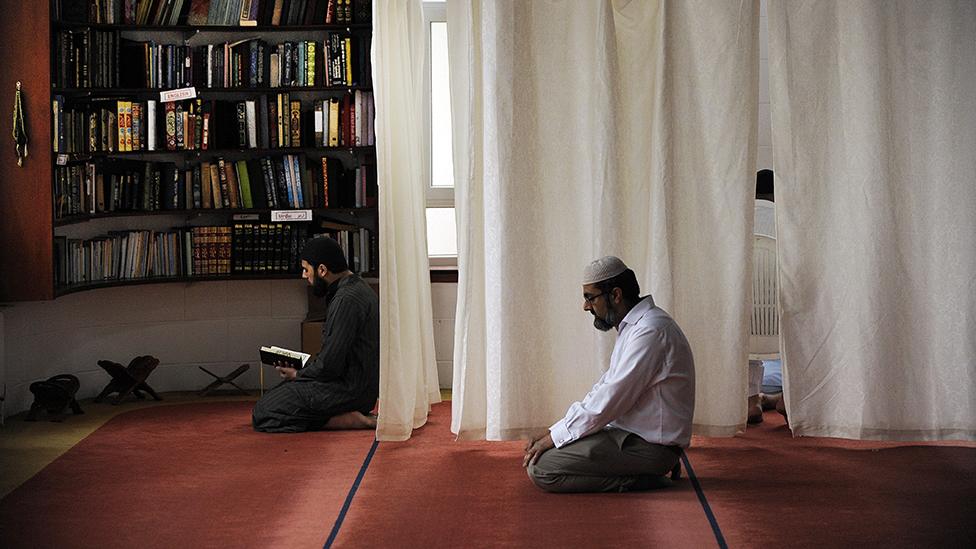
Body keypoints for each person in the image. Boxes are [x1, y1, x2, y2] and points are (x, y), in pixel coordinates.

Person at [524, 256, 696, 493]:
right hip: (632, 436)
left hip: (649, 447)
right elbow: (605, 388)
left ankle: (642, 478)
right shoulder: (638, 325)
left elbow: (611, 399)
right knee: (553, 450)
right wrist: (556, 430)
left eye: (590, 298)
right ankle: (641, 469)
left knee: (542, 469)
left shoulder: (650, 331)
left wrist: (555, 436)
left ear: (615, 295)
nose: (586, 306)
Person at [252, 236, 379, 433]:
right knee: (278, 395)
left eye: (306, 269)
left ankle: (345, 420)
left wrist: (299, 374)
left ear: (322, 270)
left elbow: (330, 365)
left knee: (265, 411)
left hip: (350, 390)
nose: (304, 276)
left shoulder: (346, 300)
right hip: (356, 385)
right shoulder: (355, 287)